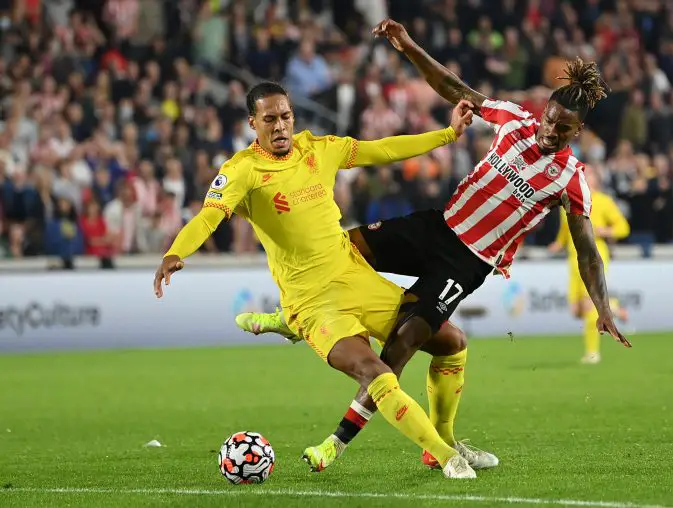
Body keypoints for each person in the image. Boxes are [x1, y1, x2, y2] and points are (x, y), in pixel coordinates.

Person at [242, 19, 631, 473]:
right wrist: (407, 46)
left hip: (466, 263)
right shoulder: (512, 119)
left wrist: (601, 306)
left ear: (578, 131)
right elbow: (453, 86)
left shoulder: (572, 179)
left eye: (563, 131)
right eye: (549, 121)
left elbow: (586, 249)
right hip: (437, 228)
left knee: (404, 342)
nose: (550, 133)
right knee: (343, 246)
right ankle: (296, 316)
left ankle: (337, 441)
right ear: (541, 111)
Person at [153, 81, 483, 479]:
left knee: (452, 342)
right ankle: (447, 457)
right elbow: (209, 215)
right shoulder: (242, 171)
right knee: (377, 374)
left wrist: (447, 135)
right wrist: (177, 251)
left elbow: (383, 149)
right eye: (269, 119)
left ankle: (444, 441)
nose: (279, 126)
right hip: (314, 304)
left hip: (356, 279)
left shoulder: (318, 148)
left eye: (285, 116)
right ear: (252, 123)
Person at [549, 165, 630, 364]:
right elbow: (565, 231)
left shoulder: (603, 201)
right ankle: (614, 307)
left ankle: (592, 353)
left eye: (588, 175)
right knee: (576, 310)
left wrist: (605, 231)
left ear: (596, 180)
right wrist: (558, 244)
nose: (583, 178)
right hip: (573, 259)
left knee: (588, 306)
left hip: (595, 257)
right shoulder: (567, 202)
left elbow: (623, 228)